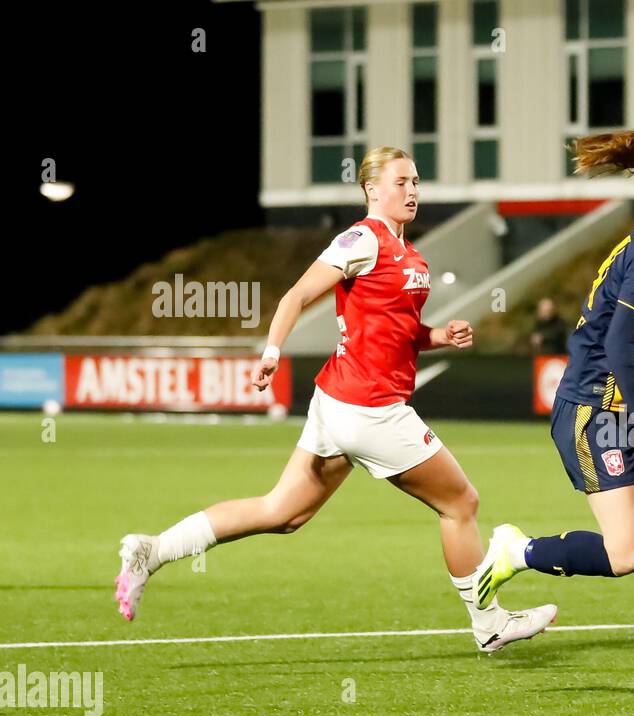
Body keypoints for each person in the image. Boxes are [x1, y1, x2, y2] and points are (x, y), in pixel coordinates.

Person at [114, 146, 555, 652]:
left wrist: (437, 336)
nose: (412, 191)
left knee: (282, 512)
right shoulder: (362, 239)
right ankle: (490, 624)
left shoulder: (408, 252)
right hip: (370, 407)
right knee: (461, 503)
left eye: (415, 181)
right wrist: (272, 351)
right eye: (400, 182)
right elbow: (296, 296)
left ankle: (152, 550)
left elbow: (398, 330)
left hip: (340, 401)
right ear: (371, 189)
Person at [470, 129, 634, 705]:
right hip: (595, 408)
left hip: (630, 401)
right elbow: (619, 346)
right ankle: (517, 551)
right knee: (629, 554)